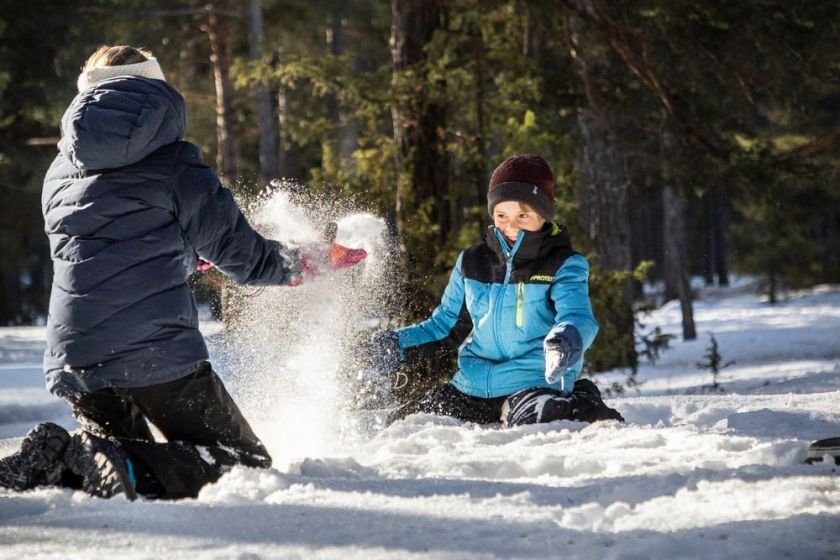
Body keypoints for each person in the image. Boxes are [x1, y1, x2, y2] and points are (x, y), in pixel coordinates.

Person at [0, 46, 363, 500]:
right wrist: (311, 261)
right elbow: (245, 258)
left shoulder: (60, 171)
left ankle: (54, 458)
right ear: (153, 88)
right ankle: (83, 456)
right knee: (242, 465)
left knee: (113, 467)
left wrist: (188, 254)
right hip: (152, 348)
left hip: (73, 355)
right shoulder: (175, 161)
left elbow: (107, 248)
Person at [371, 154, 623, 428]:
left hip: (534, 380)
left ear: (544, 214)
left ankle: (583, 402)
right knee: (404, 423)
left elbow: (577, 315)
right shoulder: (471, 262)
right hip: (473, 385)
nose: (511, 225)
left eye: (523, 215)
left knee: (533, 417)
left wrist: (565, 339)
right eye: (502, 215)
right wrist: (394, 345)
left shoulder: (562, 263)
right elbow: (442, 326)